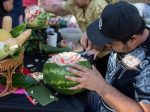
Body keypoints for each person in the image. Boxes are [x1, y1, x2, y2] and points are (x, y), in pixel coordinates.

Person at [65, 1, 150, 112]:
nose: (107, 45)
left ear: (133, 39)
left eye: (110, 42)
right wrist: (96, 37)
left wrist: (101, 86)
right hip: (100, 100)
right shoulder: (129, 31)